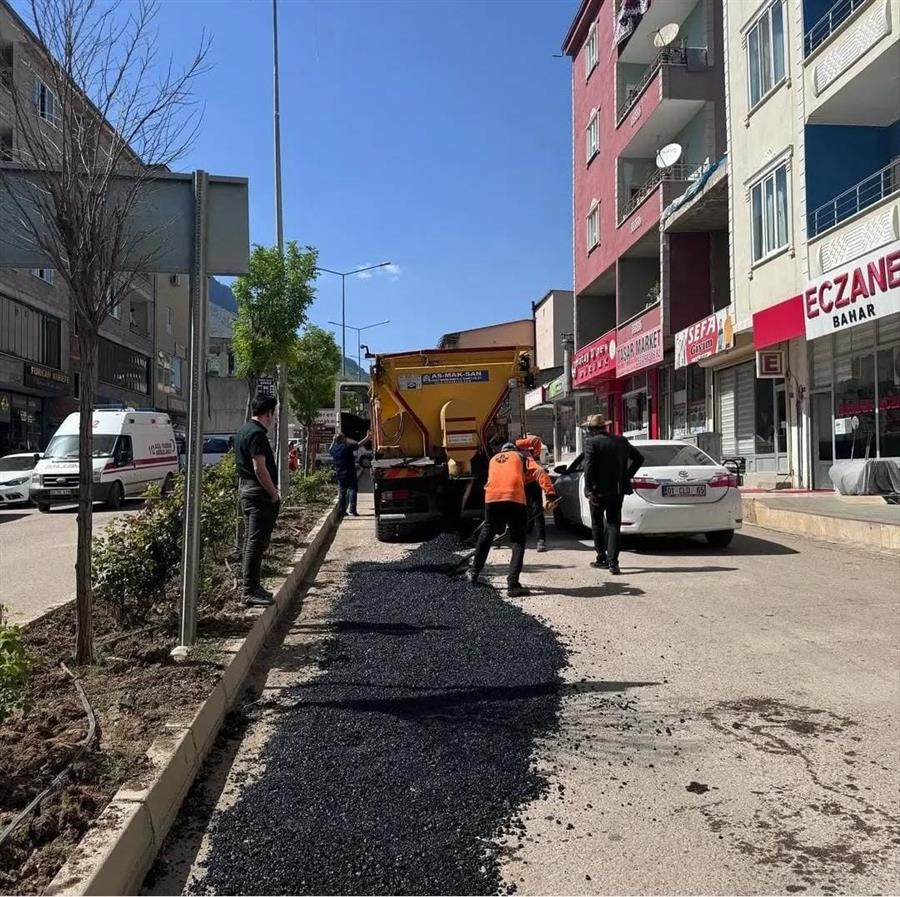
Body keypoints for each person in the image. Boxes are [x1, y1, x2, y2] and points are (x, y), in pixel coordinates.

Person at [469, 441, 557, 597]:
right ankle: (513, 584)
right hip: (514, 498)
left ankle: (474, 573)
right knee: (517, 540)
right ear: (514, 450)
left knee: (487, 532)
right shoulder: (521, 456)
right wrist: (550, 496)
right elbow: (540, 472)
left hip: (491, 499)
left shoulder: (493, 460)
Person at [582, 414, 644, 575]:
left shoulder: (591, 443)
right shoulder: (621, 441)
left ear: (592, 429)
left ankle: (601, 557)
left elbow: (588, 467)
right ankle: (613, 564)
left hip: (598, 491)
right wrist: (626, 475)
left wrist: (588, 490)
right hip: (617, 490)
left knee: (597, 523)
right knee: (613, 525)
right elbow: (639, 459)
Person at [235, 395, 281, 607]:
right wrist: (273, 493)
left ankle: (252, 586)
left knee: (251, 542)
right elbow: (259, 468)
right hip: (258, 494)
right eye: (274, 414)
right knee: (255, 542)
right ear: (268, 413)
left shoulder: (244, 430)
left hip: (247, 490)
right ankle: (249, 590)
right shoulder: (256, 434)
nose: (274, 419)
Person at [516, 434, 550, 552]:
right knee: (528, 510)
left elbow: (536, 440)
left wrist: (535, 456)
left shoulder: (518, 445)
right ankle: (531, 533)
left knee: (536, 511)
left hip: (530, 483)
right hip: (523, 484)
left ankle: (541, 540)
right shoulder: (518, 453)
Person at [330, 431, 368, 516]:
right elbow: (359, 444)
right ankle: (352, 510)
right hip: (350, 472)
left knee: (342, 492)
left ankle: (342, 511)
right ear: (343, 439)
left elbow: (330, 449)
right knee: (353, 490)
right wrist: (367, 437)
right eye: (344, 437)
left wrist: (333, 441)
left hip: (340, 474)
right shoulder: (347, 446)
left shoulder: (334, 450)